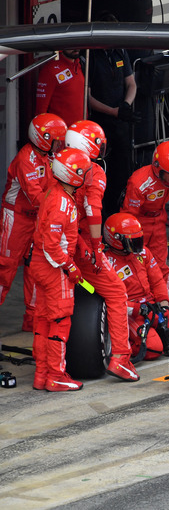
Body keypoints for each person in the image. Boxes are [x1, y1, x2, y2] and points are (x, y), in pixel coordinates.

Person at [66, 120, 138, 382]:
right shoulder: (94, 172)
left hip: (50, 245)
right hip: (79, 244)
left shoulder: (55, 166)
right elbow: (92, 211)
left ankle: (49, 363)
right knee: (117, 292)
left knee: (47, 307)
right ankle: (120, 357)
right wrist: (95, 249)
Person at [29, 148, 92, 392]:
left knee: (44, 320)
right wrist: (70, 267)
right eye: (84, 172)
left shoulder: (53, 193)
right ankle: (56, 375)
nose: (86, 176)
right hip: (54, 269)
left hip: (41, 266)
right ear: (73, 175)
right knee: (60, 321)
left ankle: (41, 374)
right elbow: (50, 244)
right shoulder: (62, 203)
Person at [103, 213, 169, 360]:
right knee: (152, 350)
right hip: (130, 313)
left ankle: (159, 335)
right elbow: (106, 299)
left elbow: (157, 281)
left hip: (153, 308)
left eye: (138, 239)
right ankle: (128, 341)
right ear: (116, 240)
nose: (137, 245)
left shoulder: (143, 252)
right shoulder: (105, 262)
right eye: (132, 241)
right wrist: (136, 309)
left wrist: (163, 302)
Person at [0, 113, 67, 331]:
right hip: (16, 218)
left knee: (35, 268)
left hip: (37, 219)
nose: (59, 146)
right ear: (43, 139)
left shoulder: (48, 157)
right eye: (56, 141)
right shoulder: (26, 159)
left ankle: (32, 318)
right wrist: (59, 213)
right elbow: (37, 197)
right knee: (5, 268)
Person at [88, 12, 139, 218]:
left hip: (120, 120)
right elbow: (87, 97)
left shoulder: (120, 52)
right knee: (101, 169)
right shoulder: (91, 55)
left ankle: (120, 211)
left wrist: (126, 105)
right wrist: (113, 112)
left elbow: (131, 83)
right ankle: (102, 213)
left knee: (123, 168)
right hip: (100, 123)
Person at [121, 141, 169, 288]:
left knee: (160, 267)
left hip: (159, 221)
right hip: (138, 222)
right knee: (135, 264)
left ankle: (164, 303)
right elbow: (128, 216)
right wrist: (130, 237)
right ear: (158, 169)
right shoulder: (139, 182)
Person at [36, 49, 87, 127]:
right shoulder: (51, 69)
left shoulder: (80, 65)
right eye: (70, 45)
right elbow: (41, 109)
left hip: (80, 129)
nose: (76, 48)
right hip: (59, 132)